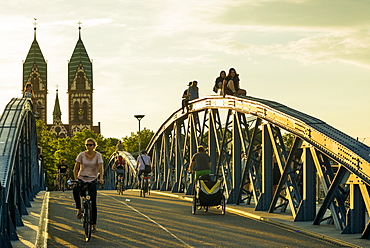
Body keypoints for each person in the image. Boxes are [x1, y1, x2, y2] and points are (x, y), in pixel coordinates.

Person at [73, 138, 104, 233]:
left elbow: (100, 168)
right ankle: (79, 209)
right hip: (81, 178)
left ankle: (94, 226)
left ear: (94, 146)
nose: (89, 147)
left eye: (90, 145)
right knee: (75, 191)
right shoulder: (81, 155)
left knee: (93, 203)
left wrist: (101, 178)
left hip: (92, 179)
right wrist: (75, 179)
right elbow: (76, 168)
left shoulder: (98, 155)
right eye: (87, 145)